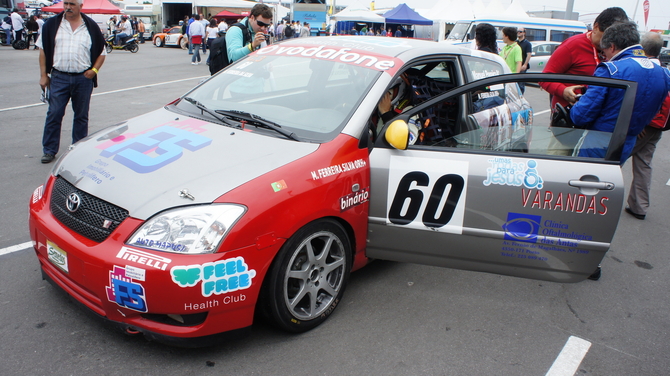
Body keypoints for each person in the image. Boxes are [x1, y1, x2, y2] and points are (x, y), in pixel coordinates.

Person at [570, 21, 670, 165]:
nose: (605, 57)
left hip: (599, 141)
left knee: (583, 181)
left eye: (604, 52)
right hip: (628, 141)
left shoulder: (611, 69)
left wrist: (574, 107)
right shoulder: (663, 73)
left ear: (612, 47)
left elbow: (581, 115)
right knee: (610, 182)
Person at [539, 7, 628, 155]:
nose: (608, 43)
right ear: (596, 27)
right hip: (567, 124)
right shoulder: (572, 46)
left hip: (598, 126)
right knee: (558, 164)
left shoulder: (616, 51)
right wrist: (563, 91)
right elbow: (544, 78)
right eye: (606, 36)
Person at [37, 0, 106, 164]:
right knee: (54, 113)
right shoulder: (52, 25)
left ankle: (78, 148)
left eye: (72, 4)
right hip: (59, 77)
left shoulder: (91, 26)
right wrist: (43, 75)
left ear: (81, 6)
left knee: (81, 116)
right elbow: (43, 51)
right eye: (66, 3)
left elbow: (102, 53)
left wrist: (94, 70)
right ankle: (49, 150)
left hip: (83, 79)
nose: (68, 7)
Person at [624, 32, 670, 220]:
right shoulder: (665, 71)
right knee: (644, 164)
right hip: (658, 127)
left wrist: (639, 123)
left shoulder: (645, 70)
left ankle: (601, 200)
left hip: (644, 125)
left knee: (613, 159)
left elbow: (642, 100)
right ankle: (639, 206)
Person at [516, 27, 532, 93]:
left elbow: (529, 55)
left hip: (522, 66)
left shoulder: (527, 43)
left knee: (521, 84)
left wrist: (525, 64)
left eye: (520, 31)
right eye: (518, 31)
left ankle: (521, 97)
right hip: (516, 65)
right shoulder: (515, 42)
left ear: (524, 33)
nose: (518, 33)